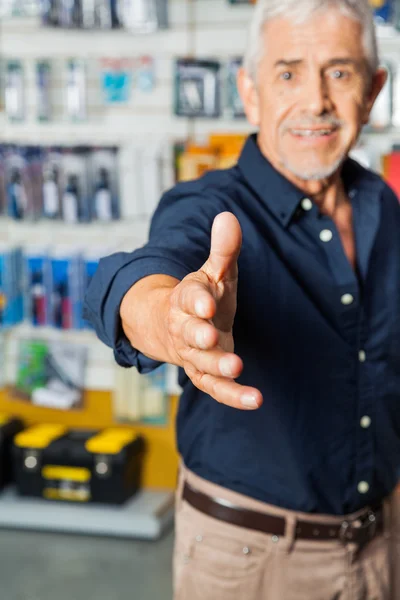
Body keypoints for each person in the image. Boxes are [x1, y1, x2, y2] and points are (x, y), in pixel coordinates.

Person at [83, 0, 400, 598]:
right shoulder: (209, 207)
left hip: (381, 544)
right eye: (287, 73)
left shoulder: (380, 202)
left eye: (339, 71)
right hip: (248, 557)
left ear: (374, 88)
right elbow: (142, 275)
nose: (315, 101)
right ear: (249, 92)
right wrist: (170, 319)